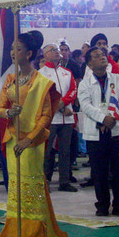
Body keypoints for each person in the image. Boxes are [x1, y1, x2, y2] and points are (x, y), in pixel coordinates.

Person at [0, 30, 70, 237]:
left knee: (31, 191)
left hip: (32, 144)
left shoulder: (42, 83)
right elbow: (1, 108)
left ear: (30, 53)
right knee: (15, 191)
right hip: (12, 139)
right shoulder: (10, 79)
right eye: (12, 48)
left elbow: (46, 115)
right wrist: (8, 113)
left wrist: (29, 139)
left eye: (18, 49)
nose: (13, 52)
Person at [78, 47, 119, 217]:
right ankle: (102, 206)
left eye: (103, 55)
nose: (102, 58)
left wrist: (111, 117)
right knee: (99, 173)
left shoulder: (118, 78)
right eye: (97, 56)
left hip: (115, 130)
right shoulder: (85, 83)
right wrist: (102, 118)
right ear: (90, 64)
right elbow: (85, 106)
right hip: (95, 132)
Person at [39, 43, 79, 192]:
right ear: (45, 55)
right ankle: (45, 180)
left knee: (65, 150)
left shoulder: (67, 72)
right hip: (50, 118)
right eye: (53, 50)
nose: (56, 52)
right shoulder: (40, 73)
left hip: (67, 118)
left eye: (57, 50)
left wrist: (64, 104)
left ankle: (64, 180)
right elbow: (43, 95)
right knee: (47, 151)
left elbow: (73, 90)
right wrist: (60, 107)